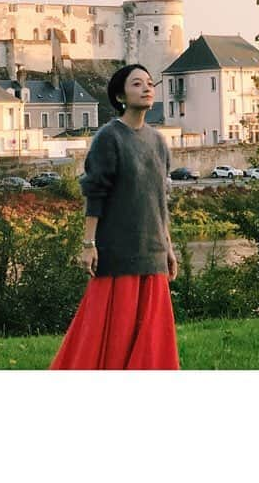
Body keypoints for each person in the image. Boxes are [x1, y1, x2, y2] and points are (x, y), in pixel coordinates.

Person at [50, 64, 180, 370]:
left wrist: (168, 247)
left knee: (151, 338)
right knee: (111, 335)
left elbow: (160, 199)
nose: (147, 88)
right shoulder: (109, 138)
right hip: (118, 252)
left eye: (150, 83)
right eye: (137, 84)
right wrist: (88, 244)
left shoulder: (159, 142)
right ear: (121, 95)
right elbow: (96, 193)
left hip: (153, 251)